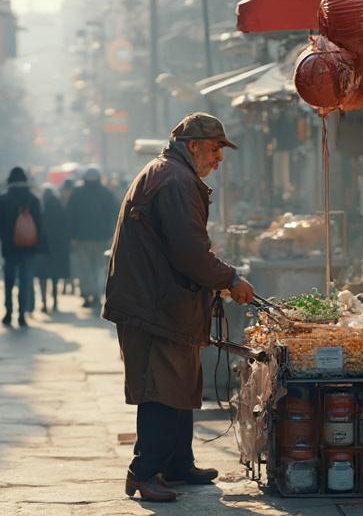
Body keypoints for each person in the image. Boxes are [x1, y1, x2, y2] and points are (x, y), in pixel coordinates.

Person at [103, 112, 255, 502]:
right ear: (193, 147)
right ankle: (143, 471)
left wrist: (218, 278)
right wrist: (229, 279)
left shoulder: (172, 174)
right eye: (215, 148)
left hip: (163, 300)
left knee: (182, 382)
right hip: (154, 304)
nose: (219, 158)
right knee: (161, 388)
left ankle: (177, 463)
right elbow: (188, 250)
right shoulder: (175, 179)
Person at [0, 167, 42, 328]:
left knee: (9, 280)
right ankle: (22, 315)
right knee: (25, 281)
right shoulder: (34, 199)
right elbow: (40, 226)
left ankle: (8, 312)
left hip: (9, 247)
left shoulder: (3, 199)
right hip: (29, 248)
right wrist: (39, 247)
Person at [67, 167, 118, 308]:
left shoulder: (77, 193)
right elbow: (114, 215)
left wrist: (72, 236)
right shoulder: (106, 193)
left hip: (81, 238)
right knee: (99, 268)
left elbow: (70, 215)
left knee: (85, 268)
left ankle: (86, 294)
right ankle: (96, 295)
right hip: (102, 238)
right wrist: (111, 235)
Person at [35, 184, 69, 313]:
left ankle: (44, 302)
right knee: (55, 277)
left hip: (43, 248)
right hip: (58, 248)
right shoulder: (61, 210)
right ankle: (55, 301)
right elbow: (66, 230)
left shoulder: (41, 212)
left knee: (42, 277)